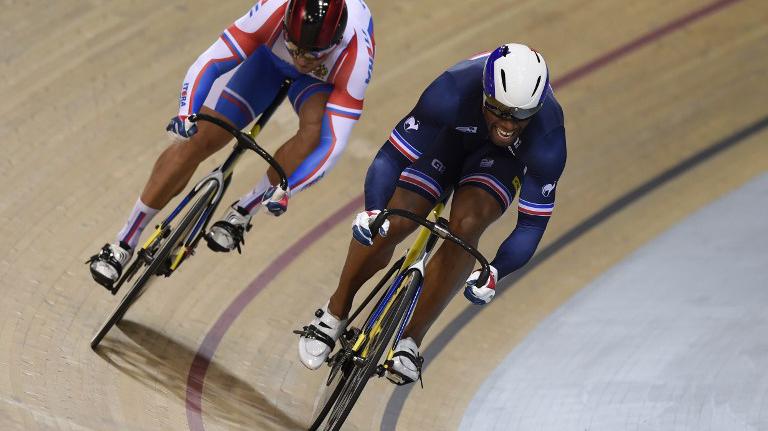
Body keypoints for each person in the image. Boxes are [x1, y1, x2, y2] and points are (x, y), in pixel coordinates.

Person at [296, 43, 566, 385]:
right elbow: (391, 158)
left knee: (465, 228)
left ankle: (411, 340)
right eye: (499, 110)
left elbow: (531, 224)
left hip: (501, 164)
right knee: (396, 219)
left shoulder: (548, 136)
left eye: (520, 115)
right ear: (485, 94)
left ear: (536, 109)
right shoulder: (452, 90)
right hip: (448, 138)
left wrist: (496, 271)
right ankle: (335, 312)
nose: (508, 124)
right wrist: (373, 210)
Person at [88, 0, 375, 290]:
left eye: (313, 54)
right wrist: (186, 113)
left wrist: (289, 190)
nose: (301, 59)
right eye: (296, 47)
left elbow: (332, 144)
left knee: (314, 133)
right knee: (199, 139)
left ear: (336, 43)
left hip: (319, 84)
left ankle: (243, 212)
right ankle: (124, 240)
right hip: (268, 61)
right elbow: (210, 62)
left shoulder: (356, 57)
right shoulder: (272, 12)